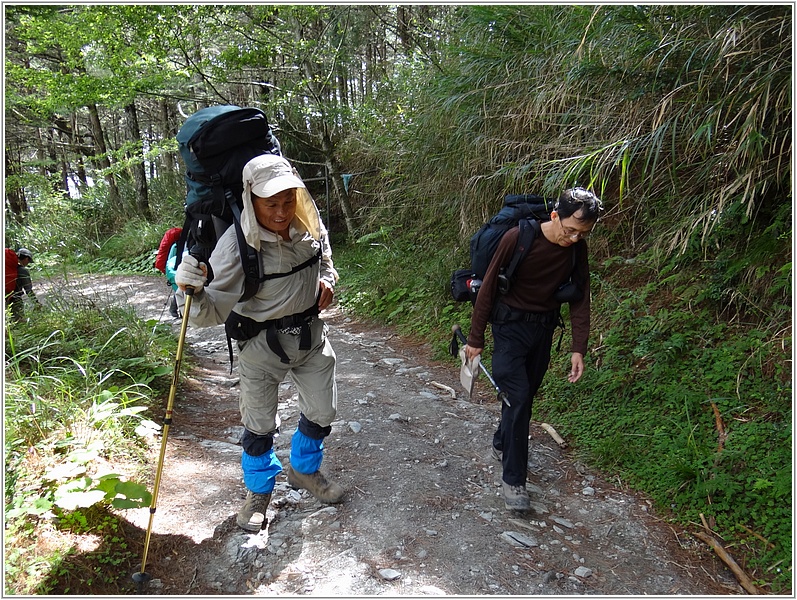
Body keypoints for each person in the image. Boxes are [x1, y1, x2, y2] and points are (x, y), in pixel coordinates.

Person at [175, 154, 342, 533]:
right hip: (261, 345)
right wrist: (191, 291)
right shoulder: (237, 246)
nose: (282, 212)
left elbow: (326, 259)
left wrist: (328, 281)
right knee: (259, 424)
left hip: (311, 338)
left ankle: (304, 470)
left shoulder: (308, 224)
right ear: (251, 199)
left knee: (322, 411)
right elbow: (207, 313)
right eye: (271, 204)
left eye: (288, 201)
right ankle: (258, 493)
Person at [464, 187, 603, 511]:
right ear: (555, 216)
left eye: (582, 235)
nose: (573, 239)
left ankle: (502, 442)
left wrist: (578, 347)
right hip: (509, 330)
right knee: (520, 397)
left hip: (542, 331)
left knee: (521, 400)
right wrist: (475, 339)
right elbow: (486, 290)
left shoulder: (575, 249)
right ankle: (514, 482)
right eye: (570, 230)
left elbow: (581, 297)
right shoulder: (518, 237)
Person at [10, 248, 39, 321]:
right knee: (19, 321)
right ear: (26, 259)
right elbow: (28, 290)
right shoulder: (22, 270)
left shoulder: (7, 266)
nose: (28, 263)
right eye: (28, 261)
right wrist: (36, 303)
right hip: (14, 299)